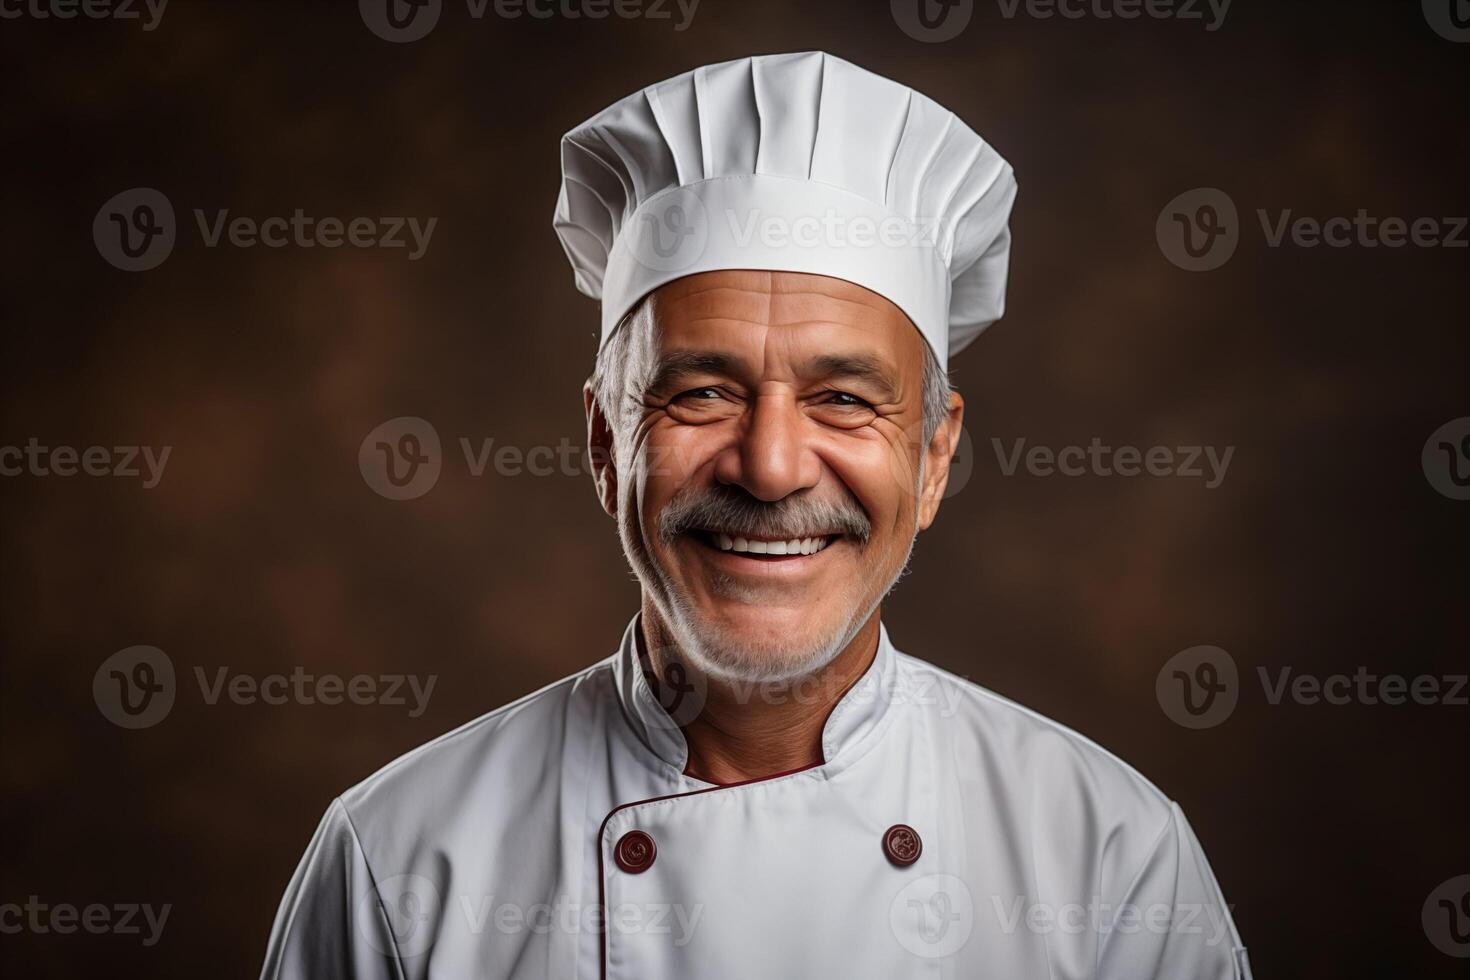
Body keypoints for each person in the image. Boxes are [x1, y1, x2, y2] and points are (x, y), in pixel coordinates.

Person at [260, 50, 1251, 980]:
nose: (771, 468)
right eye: (700, 391)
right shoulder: (396, 861)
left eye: (846, 399)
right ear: (607, 445)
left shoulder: (1114, 864)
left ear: (934, 455)